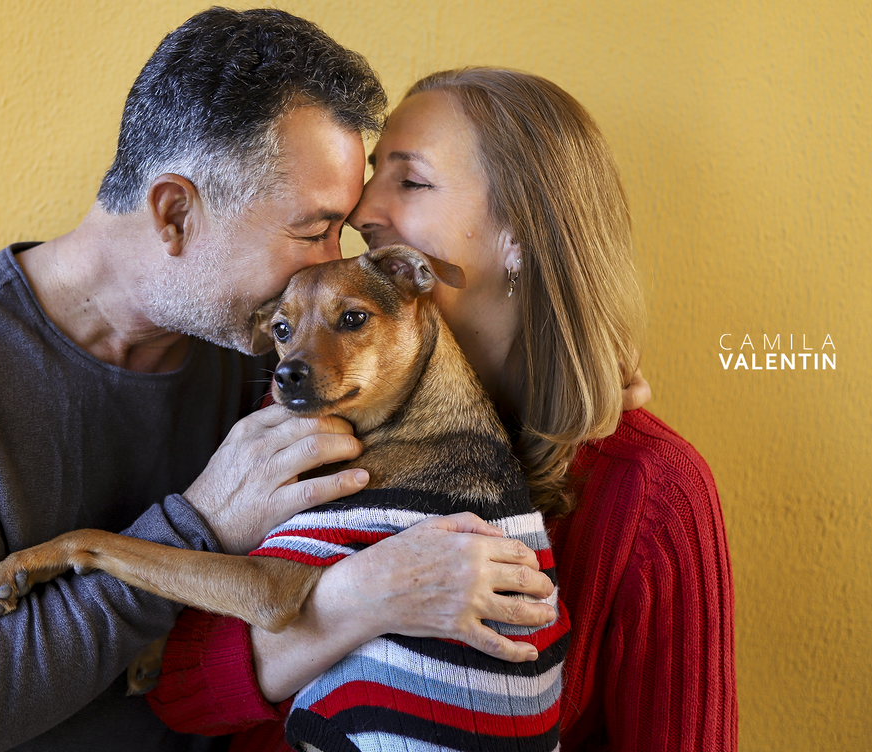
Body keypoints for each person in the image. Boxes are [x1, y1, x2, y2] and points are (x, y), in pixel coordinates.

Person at [0, 10, 558, 752]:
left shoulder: (262, 353)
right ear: (175, 213)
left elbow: (426, 416)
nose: (331, 262)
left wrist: (567, 372)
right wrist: (197, 522)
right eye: (312, 230)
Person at [148, 68, 737, 751]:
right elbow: (178, 692)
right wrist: (356, 601)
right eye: (373, 175)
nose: (361, 209)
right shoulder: (311, 408)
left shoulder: (650, 492)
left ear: (521, 235)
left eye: (410, 180)